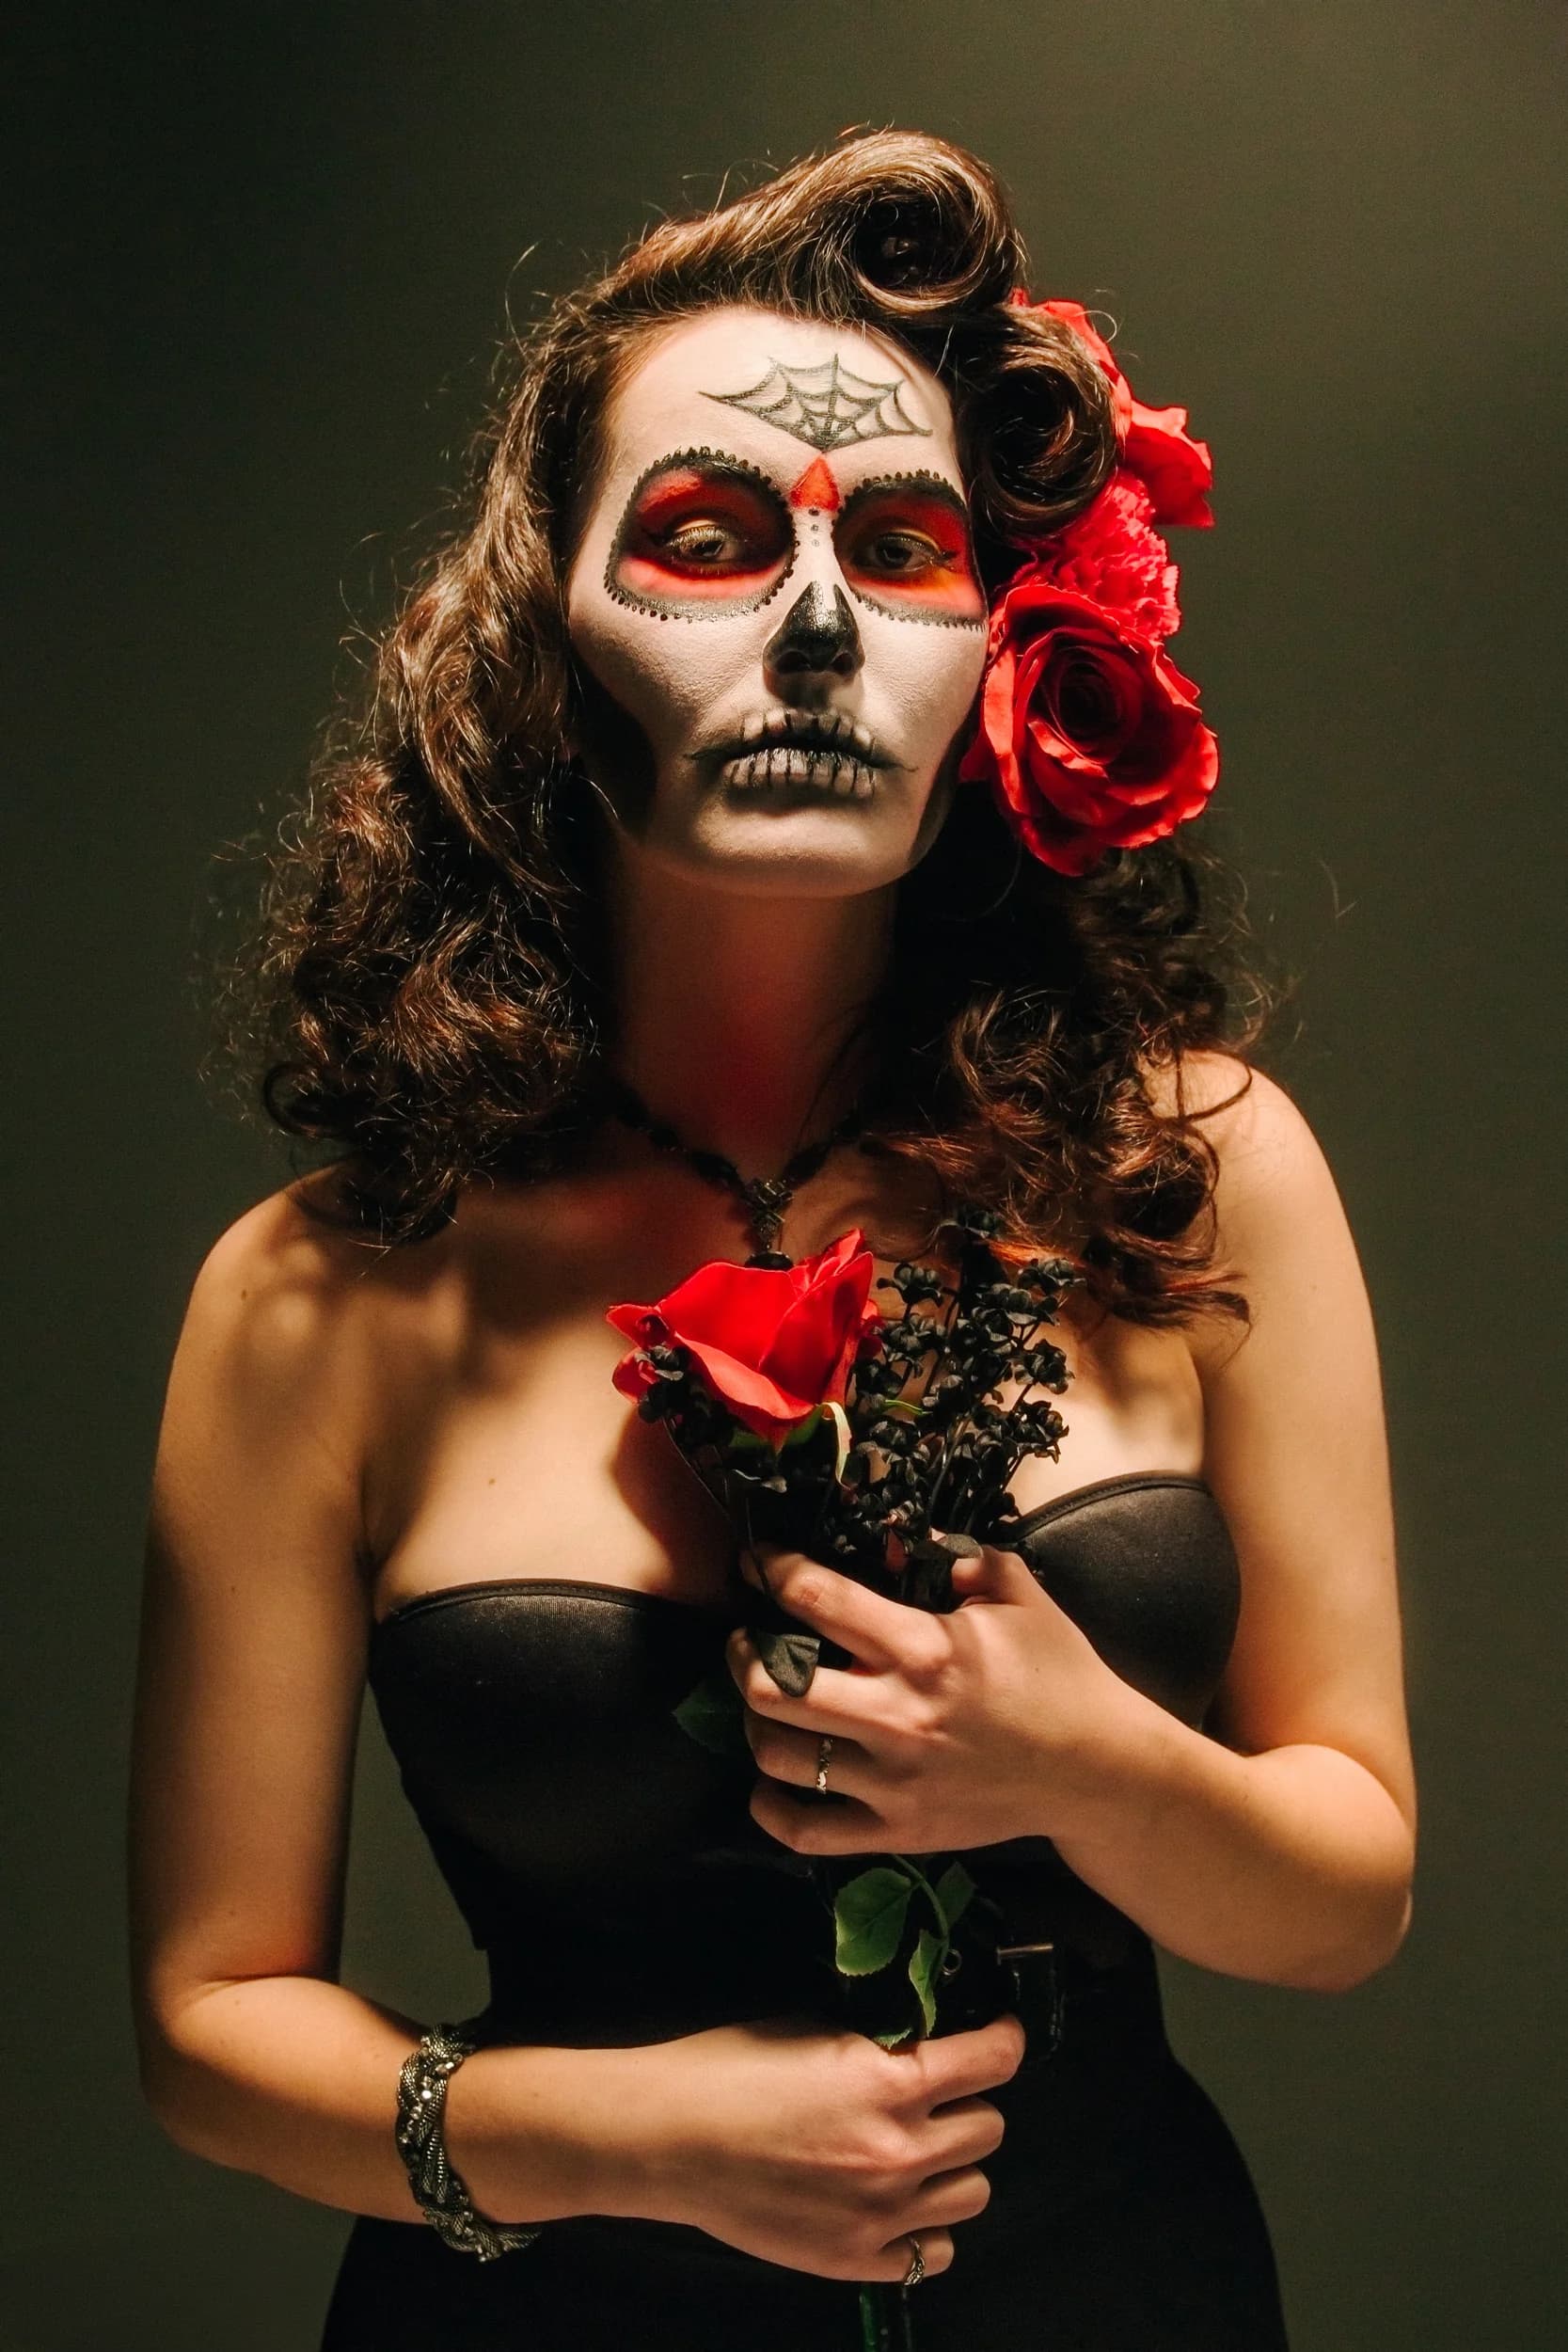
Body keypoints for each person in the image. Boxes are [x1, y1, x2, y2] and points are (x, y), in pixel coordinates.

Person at [128, 130, 1417, 2350]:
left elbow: (1349, 1897)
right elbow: (208, 2018)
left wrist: (1082, 1756)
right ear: (541, 635)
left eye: (900, 548)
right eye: (711, 538)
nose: (817, 625)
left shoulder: (1195, 1170)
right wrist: (624, 2135)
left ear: (1003, 644)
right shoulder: (326, 1292)